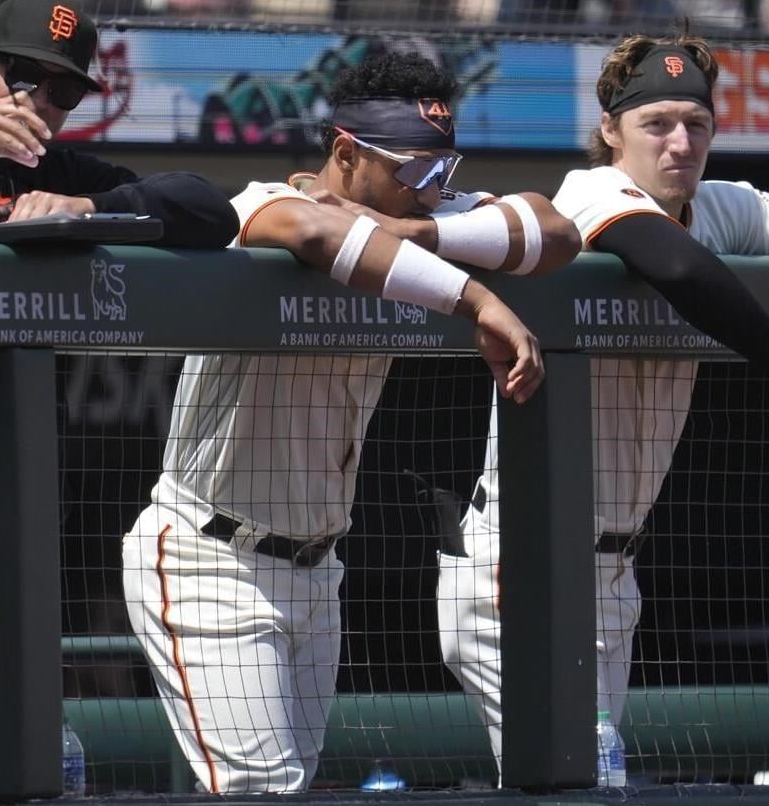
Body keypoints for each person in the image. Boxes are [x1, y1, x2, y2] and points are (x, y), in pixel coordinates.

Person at [122, 49, 580, 794]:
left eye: (446, 170)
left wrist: (420, 234)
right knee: (260, 789)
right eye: (414, 171)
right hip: (211, 555)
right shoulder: (262, 202)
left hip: (317, 568)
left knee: (292, 787)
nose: (435, 189)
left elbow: (555, 229)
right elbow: (311, 233)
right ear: (345, 152)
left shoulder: (419, 217)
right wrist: (477, 300)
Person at [0, 0, 238, 799]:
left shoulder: (62, 172)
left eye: (60, 90)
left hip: (4, 454)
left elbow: (208, 207)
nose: (37, 102)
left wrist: (92, 206)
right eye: (22, 77)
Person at [437, 32, 769, 783]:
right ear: (610, 132)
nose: (679, 142)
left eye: (697, 124)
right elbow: (677, 265)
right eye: (656, 124)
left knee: (575, 783)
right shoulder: (591, 191)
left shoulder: (719, 208)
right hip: (521, 558)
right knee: (587, 779)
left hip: (612, 574)